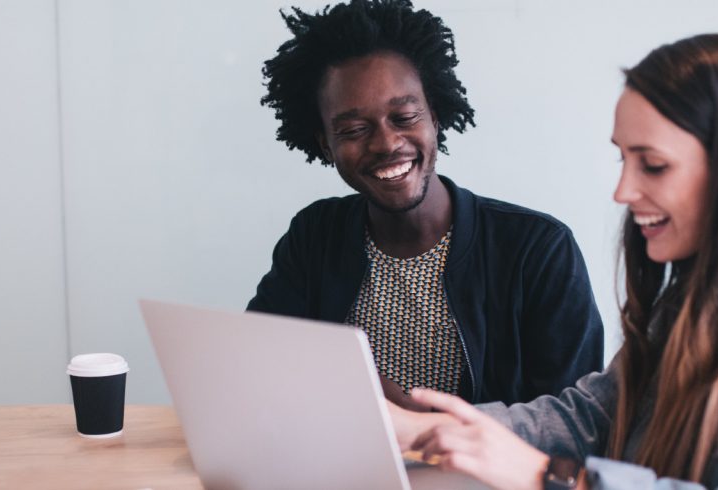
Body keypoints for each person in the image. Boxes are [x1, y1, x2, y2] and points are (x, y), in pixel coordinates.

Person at [388, 34, 718, 489]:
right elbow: (594, 417)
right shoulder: (702, 283)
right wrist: (421, 431)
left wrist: (546, 478)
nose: (624, 191)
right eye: (623, 159)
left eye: (652, 165)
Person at [247, 0, 604, 408]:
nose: (386, 144)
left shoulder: (538, 249)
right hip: (338, 468)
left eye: (404, 117)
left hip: (480, 473)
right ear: (325, 144)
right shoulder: (315, 235)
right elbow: (259, 363)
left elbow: (572, 425)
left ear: (435, 116)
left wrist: (423, 423)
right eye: (354, 129)